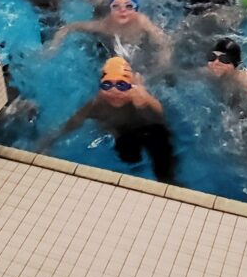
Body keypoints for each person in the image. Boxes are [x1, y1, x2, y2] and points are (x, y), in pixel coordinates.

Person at [39, 56, 176, 182]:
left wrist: (145, 100)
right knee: (129, 157)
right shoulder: (97, 104)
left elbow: (161, 117)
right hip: (123, 132)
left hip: (149, 128)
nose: (114, 91)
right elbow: (73, 122)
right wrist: (49, 142)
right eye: (107, 85)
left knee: (162, 157)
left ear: (131, 86)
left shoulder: (139, 97)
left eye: (122, 85)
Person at [49, 0, 171, 70]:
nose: (122, 10)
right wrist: (54, 45)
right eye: (116, 6)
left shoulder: (141, 21)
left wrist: (163, 61)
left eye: (129, 6)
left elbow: (163, 41)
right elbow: (70, 27)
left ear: (136, 10)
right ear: (110, 10)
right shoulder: (106, 26)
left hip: (141, 46)